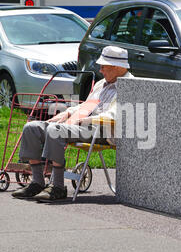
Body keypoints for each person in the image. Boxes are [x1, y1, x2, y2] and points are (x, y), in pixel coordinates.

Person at [12, 46, 133, 202]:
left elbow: (115, 115)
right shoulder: (101, 84)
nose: (101, 70)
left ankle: (58, 187)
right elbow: (88, 104)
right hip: (81, 127)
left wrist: (83, 120)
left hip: (103, 131)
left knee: (56, 130)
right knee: (32, 128)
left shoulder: (131, 86)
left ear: (117, 67)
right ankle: (37, 182)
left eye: (104, 67)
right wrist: (69, 112)